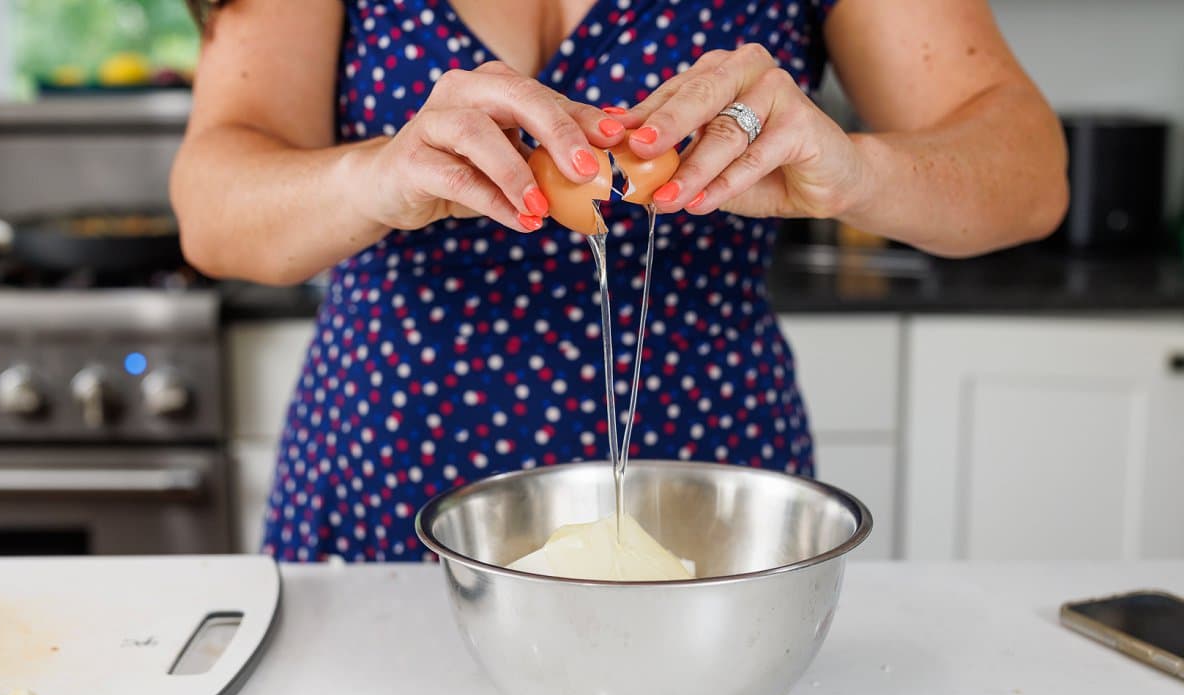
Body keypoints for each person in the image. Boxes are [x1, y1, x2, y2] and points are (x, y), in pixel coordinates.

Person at [172, 0, 1067, 561]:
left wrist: (859, 172)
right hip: (388, 474)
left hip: (708, 485)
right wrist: (377, 177)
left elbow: (1027, 176)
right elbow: (212, 210)